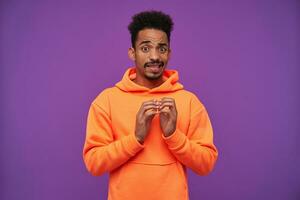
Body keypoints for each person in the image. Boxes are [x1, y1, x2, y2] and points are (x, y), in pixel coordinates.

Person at [83, 10, 218, 200]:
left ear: (169, 53)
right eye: (146, 48)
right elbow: (94, 164)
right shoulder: (106, 101)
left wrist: (173, 136)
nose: (155, 56)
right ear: (132, 52)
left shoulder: (189, 102)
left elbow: (206, 164)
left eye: (162, 48)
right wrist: (136, 138)